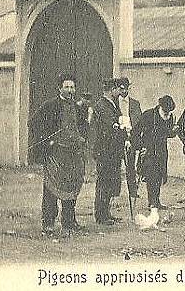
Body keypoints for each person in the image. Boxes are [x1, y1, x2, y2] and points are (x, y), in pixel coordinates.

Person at [29, 73, 88, 235]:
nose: (70, 90)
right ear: (60, 88)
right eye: (67, 87)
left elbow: (82, 127)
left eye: (72, 87)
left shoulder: (78, 106)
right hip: (56, 154)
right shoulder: (51, 105)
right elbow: (33, 123)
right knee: (52, 187)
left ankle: (69, 221)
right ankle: (48, 222)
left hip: (73, 154)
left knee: (72, 186)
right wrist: (48, 141)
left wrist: (82, 137)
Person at [89, 77, 127, 225]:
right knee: (104, 183)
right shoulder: (102, 106)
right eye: (117, 89)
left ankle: (106, 212)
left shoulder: (111, 104)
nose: (119, 92)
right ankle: (101, 215)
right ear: (112, 90)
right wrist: (122, 129)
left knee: (110, 182)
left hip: (112, 150)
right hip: (105, 151)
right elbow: (111, 128)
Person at [132, 95, 177, 210]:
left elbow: (168, 133)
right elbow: (136, 130)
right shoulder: (148, 115)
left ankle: (156, 201)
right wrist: (139, 146)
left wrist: (173, 132)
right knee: (151, 176)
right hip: (148, 150)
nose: (167, 113)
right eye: (166, 110)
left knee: (159, 176)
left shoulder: (169, 116)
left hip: (161, 151)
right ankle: (152, 202)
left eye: (169, 111)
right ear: (160, 106)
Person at [117, 77, 142, 201]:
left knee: (130, 165)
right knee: (115, 165)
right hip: (117, 138)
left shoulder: (135, 103)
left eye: (126, 88)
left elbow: (139, 120)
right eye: (121, 89)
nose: (124, 91)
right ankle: (114, 192)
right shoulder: (114, 102)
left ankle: (132, 191)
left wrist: (132, 133)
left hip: (131, 137)